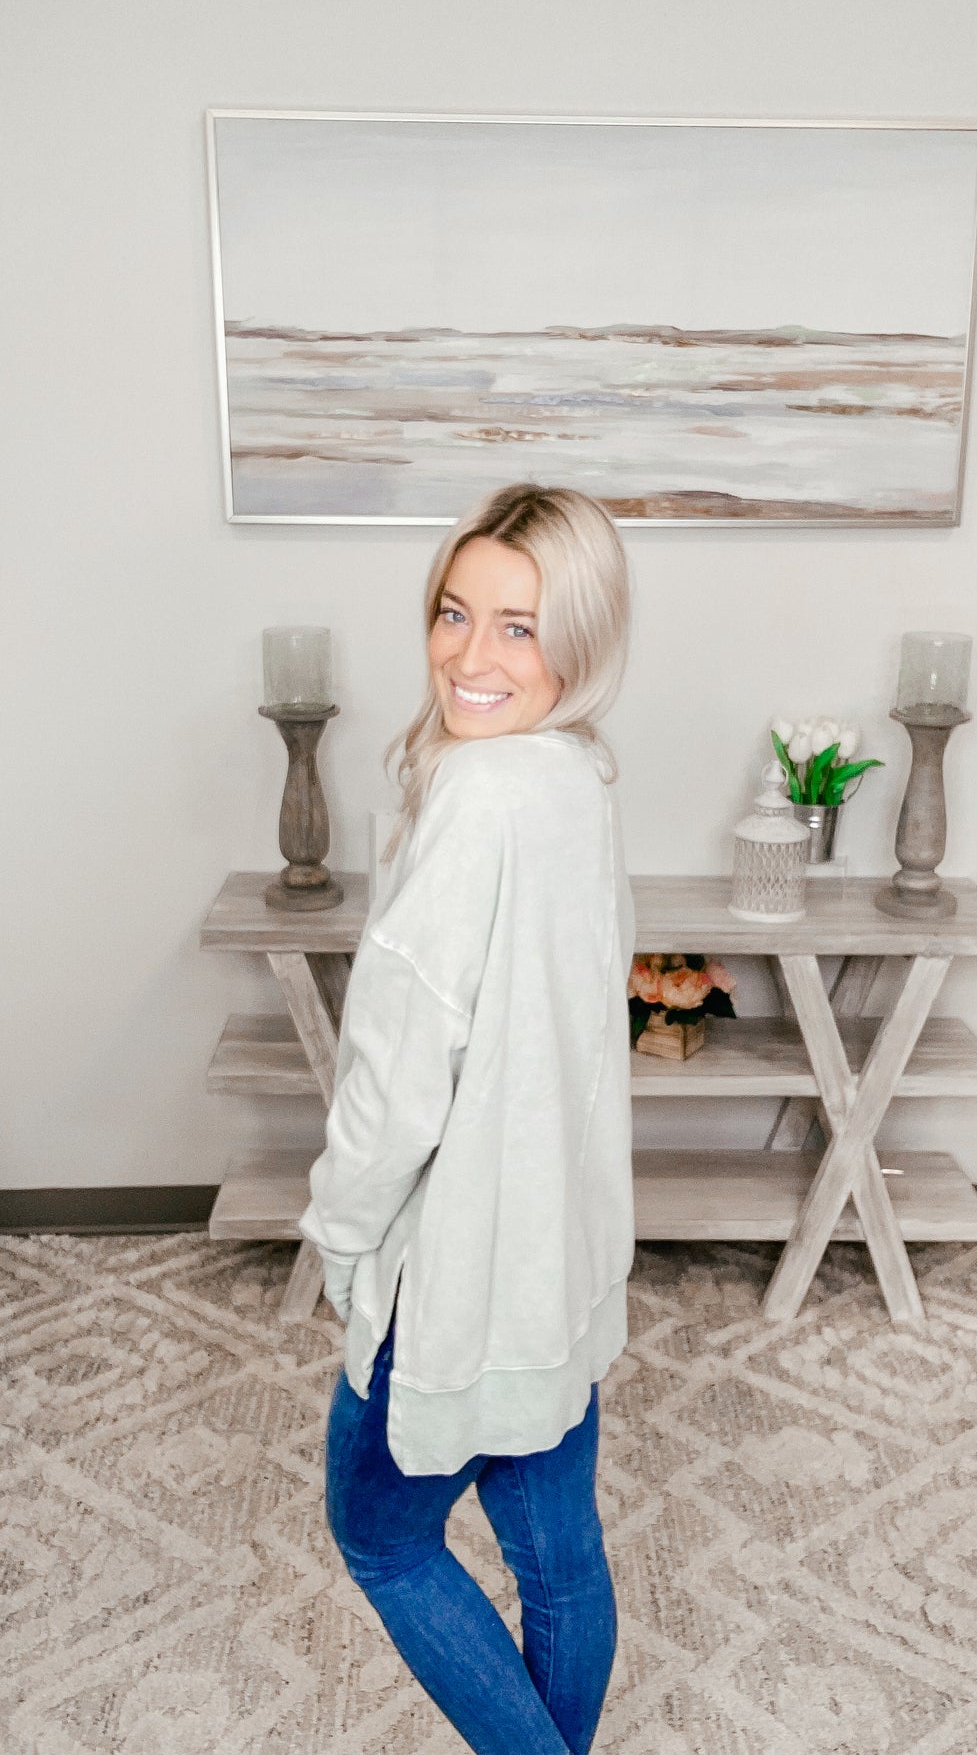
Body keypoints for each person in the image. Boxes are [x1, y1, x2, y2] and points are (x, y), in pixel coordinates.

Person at [297, 482, 637, 1755]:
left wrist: (342, 1236)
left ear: (581, 644)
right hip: (553, 1262)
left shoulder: (478, 798)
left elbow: (395, 1080)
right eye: (454, 613)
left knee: (380, 1536)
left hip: (459, 1270)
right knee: (557, 1559)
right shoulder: (575, 778)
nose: (468, 655)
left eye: (517, 626)